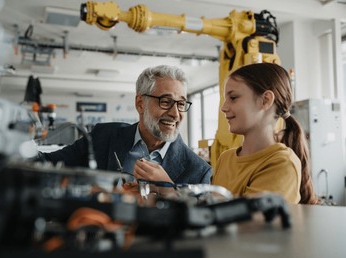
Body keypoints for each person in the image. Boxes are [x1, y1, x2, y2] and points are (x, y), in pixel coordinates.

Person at [37, 65, 212, 188]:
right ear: (140, 103)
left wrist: (168, 190)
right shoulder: (102, 137)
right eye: (165, 102)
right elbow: (46, 164)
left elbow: (199, 227)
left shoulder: (198, 170)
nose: (175, 113)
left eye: (181, 104)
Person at [212, 63, 320, 204]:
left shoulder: (282, 163)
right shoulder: (225, 159)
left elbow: (253, 222)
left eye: (233, 98)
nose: (224, 107)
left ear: (266, 100)